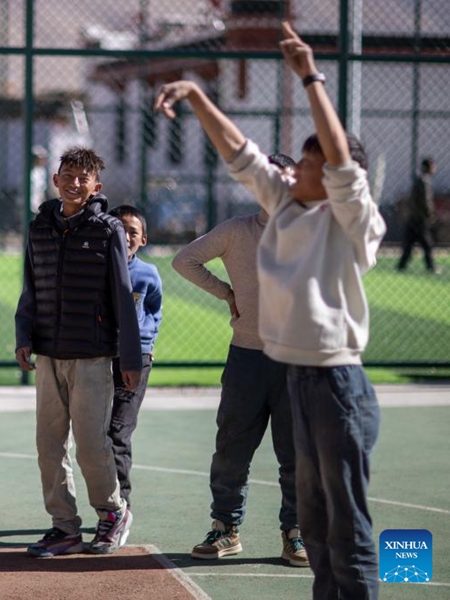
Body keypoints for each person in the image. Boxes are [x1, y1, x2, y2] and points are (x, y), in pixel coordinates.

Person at [155, 21, 386, 599]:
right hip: (296, 378)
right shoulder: (282, 209)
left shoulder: (354, 222)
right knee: (313, 520)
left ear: (331, 176)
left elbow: (340, 164)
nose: (289, 170)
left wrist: (309, 75)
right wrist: (196, 93)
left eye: (306, 164)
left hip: (336, 384)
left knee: (344, 526)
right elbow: (239, 152)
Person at [173, 154, 309, 568]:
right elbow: (184, 261)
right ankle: (225, 529)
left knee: (298, 454)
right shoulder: (236, 231)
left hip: (299, 362)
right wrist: (226, 292)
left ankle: (296, 533)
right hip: (246, 359)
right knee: (231, 448)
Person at [15, 147, 142, 558]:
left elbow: (123, 297)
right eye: (68, 174)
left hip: (92, 356)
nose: (74, 183)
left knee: (91, 445)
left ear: (96, 187)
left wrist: (130, 360)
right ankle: (64, 527)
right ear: (56, 179)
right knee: (49, 445)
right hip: (49, 354)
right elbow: (30, 287)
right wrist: (24, 334)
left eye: (83, 178)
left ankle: (111, 513)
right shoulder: (39, 228)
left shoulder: (108, 231)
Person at [106, 205, 162, 510]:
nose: (126, 236)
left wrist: (147, 343)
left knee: (119, 431)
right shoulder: (98, 269)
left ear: (143, 240)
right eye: (119, 229)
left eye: (133, 232)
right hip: (101, 357)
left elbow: (155, 310)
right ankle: (104, 500)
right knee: (97, 434)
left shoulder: (148, 274)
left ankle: (120, 504)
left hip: (136, 359)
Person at [397, 158, 439, 273]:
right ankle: (430, 266)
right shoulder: (424, 182)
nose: (435, 169)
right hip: (419, 219)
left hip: (413, 217)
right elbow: (426, 201)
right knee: (427, 244)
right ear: (429, 167)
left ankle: (402, 265)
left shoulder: (419, 181)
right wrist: (430, 215)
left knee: (409, 243)